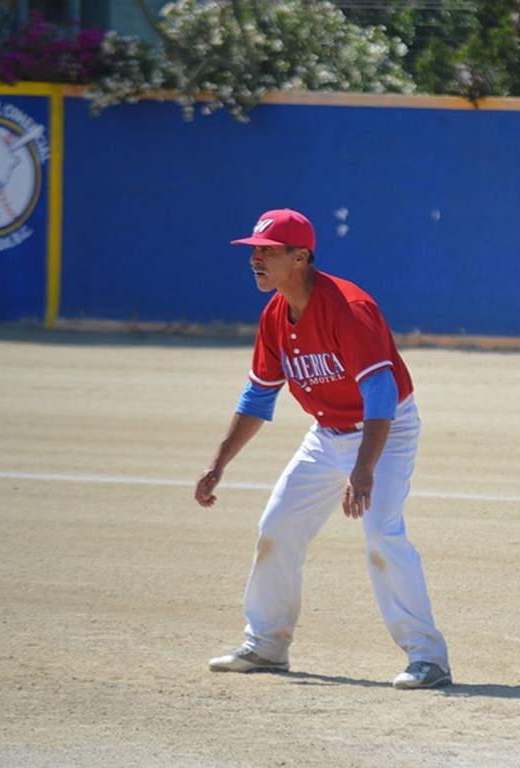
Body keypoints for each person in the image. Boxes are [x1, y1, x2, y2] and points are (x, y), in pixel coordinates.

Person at [195, 208, 451, 690]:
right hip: (327, 432)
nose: (255, 259)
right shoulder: (275, 315)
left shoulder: (348, 308)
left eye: (267, 251)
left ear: (301, 257)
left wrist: (363, 470)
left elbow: (379, 395)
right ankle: (267, 645)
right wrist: (219, 462)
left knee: (382, 534)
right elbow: (258, 395)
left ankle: (428, 657)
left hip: (384, 431)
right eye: (254, 251)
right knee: (277, 527)